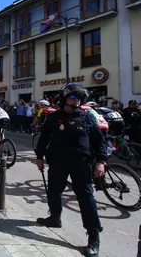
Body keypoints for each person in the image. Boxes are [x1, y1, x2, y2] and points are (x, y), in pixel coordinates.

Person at [35, 83, 107, 257]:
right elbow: (44, 137)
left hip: (81, 163)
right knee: (53, 191)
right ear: (64, 99)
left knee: (86, 197)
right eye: (73, 97)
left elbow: (100, 141)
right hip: (58, 161)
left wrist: (101, 161)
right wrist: (39, 156)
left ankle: (93, 236)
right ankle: (54, 218)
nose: (76, 101)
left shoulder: (87, 117)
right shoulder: (53, 117)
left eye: (79, 98)